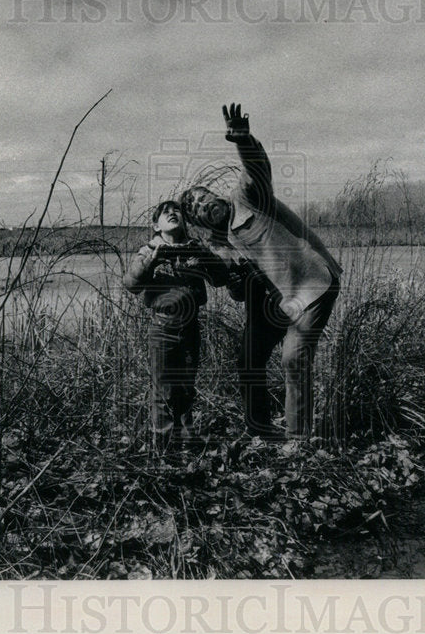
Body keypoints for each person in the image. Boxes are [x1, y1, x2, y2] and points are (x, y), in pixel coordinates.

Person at [180, 103, 342, 441]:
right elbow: (238, 292)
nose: (202, 204)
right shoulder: (218, 245)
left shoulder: (248, 197)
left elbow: (256, 167)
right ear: (198, 222)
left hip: (310, 285)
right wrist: (227, 278)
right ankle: (262, 432)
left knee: (293, 358)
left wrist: (243, 139)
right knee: (248, 361)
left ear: (214, 194)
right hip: (274, 303)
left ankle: (298, 441)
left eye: (202, 196)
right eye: (195, 209)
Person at [123, 200, 228, 451]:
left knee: (186, 387)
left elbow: (221, 278)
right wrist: (152, 263)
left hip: (191, 328)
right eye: (164, 212)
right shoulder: (149, 250)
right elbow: (131, 284)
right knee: (163, 390)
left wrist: (205, 258)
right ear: (155, 225)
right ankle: (165, 446)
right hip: (163, 329)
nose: (172, 213)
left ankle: (187, 440)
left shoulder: (196, 249)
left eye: (177, 210)